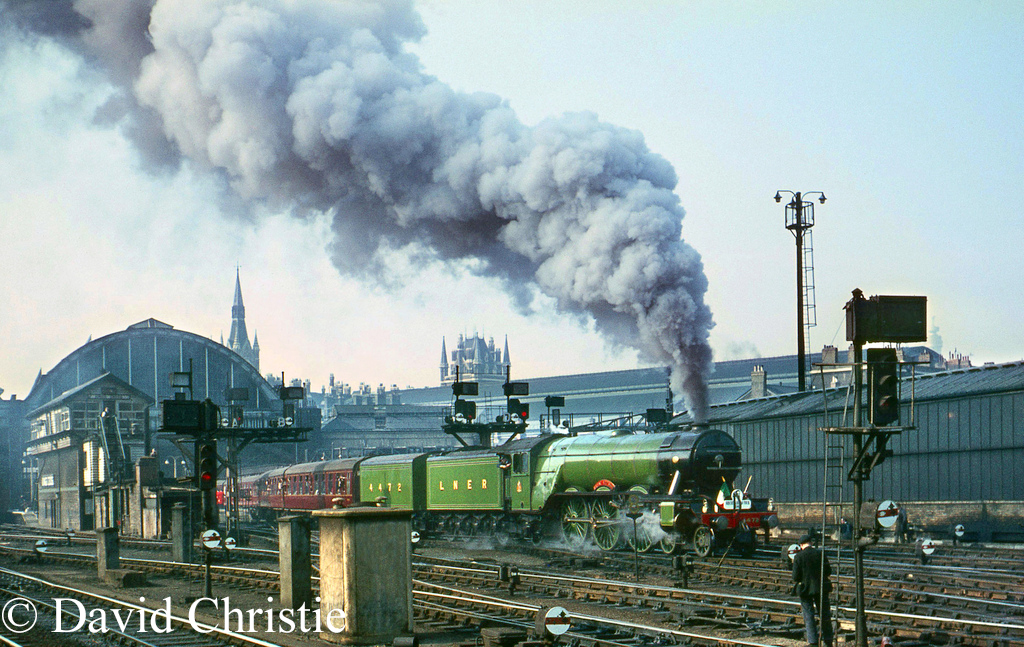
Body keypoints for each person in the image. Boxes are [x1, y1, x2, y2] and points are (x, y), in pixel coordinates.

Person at [792, 534, 834, 647]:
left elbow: (795, 577)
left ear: (801, 545)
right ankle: (828, 640)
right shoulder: (821, 553)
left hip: (805, 590)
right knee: (825, 614)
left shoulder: (798, 557)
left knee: (808, 614)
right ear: (811, 543)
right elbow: (828, 571)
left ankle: (813, 641)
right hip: (821, 588)